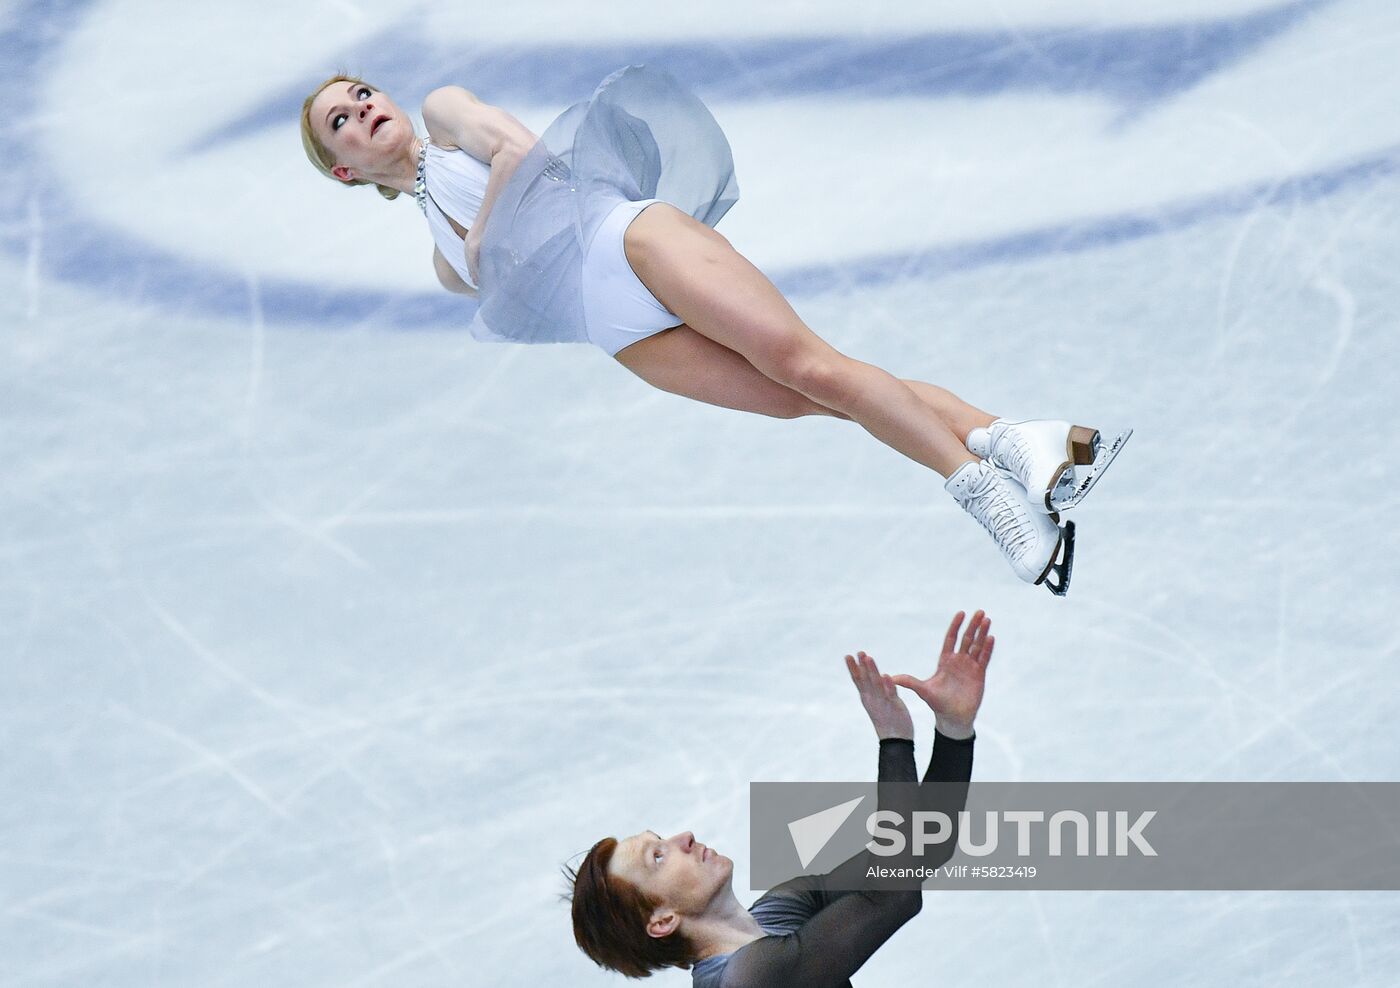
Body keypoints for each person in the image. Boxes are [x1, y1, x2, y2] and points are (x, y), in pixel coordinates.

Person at [300, 66, 1132, 593]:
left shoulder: (446, 115)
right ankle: (1027, 440)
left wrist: (484, 238)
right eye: (340, 119)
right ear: (342, 171)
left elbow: (517, 148)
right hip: (622, 333)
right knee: (808, 401)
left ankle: (984, 491)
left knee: (814, 366)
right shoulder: (443, 267)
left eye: (362, 93)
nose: (361, 109)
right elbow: (516, 298)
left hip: (631, 241)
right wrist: (479, 256)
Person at [565, 610, 994, 985]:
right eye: (657, 858)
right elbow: (893, 893)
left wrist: (953, 731)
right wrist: (895, 741)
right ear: (662, 921)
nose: (684, 838)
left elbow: (921, 851)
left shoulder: (777, 911)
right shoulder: (746, 981)